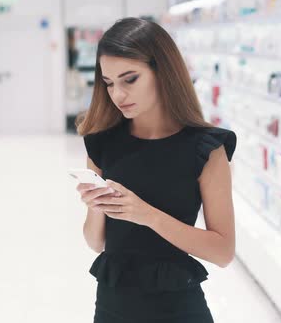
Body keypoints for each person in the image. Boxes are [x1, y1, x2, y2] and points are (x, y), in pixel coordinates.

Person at [75, 17, 237, 323]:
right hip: (112, 306)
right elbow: (96, 243)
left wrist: (147, 215)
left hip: (178, 309)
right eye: (108, 83)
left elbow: (223, 251)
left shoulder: (205, 148)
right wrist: (97, 205)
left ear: (162, 71)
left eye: (130, 79)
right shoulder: (101, 142)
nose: (117, 95)